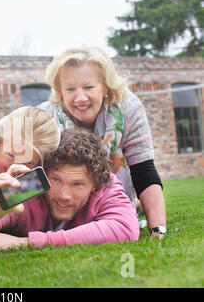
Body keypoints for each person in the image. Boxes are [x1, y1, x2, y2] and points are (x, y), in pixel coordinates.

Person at [37, 46, 167, 239]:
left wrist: (157, 229)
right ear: (60, 90)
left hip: (111, 199)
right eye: (70, 89)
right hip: (61, 203)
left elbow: (143, 170)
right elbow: (29, 172)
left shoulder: (128, 108)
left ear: (105, 86)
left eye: (89, 87)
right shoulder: (44, 118)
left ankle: (126, 205)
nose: (80, 98)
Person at [0, 128, 140, 250]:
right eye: (56, 180)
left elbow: (124, 228)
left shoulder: (105, 184)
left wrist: (27, 242)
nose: (64, 196)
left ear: (94, 185)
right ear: (43, 173)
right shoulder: (32, 184)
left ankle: (136, 205)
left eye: (77, 184)